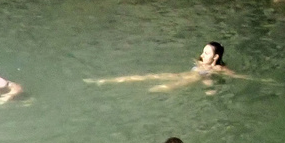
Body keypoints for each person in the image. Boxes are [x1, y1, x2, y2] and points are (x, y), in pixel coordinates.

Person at [85, 42, 246, 91]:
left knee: (169, 86)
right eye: (203, 52)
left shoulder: (218, 68)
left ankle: (153, 90)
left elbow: (233, 75)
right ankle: (109, 81)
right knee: (150, 76)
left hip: (196, 77)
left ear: (216, 57)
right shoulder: (201, 62)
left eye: (206, 53)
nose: (202, 55)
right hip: (186, 74)